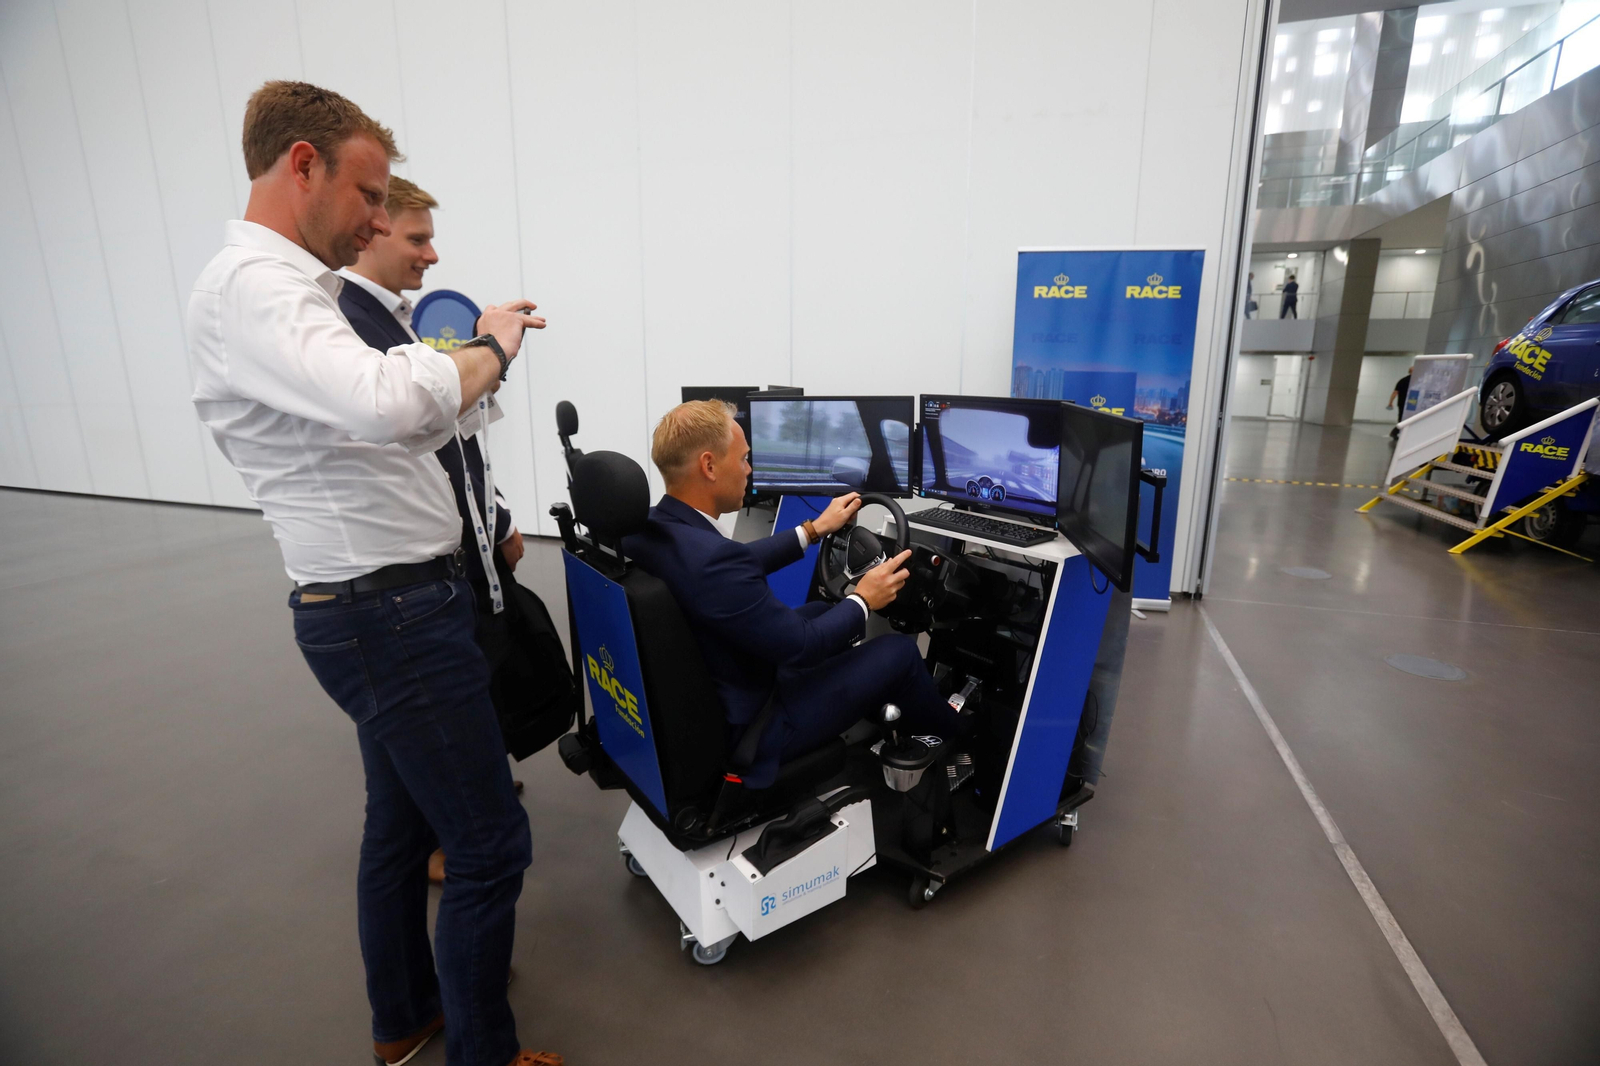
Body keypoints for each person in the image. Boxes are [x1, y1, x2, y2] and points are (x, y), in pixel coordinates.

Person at [185, 80, 559, 1066]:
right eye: (370, 193)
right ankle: (483, 1053)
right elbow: (395, 405)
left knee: (399, 827)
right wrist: (489, 345)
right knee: (487, 845)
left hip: (390, 603)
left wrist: (465, 376)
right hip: (386, 614)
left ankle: (405, 1021)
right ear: (301, 163)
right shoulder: (251, 289)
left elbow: (411, 419)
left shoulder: (299, 296)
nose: (380, 221)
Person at [338, 176, 527, 884]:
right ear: (373, 227)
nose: (432, 255)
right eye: (418, 239)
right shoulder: (352, 327)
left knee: (401, 792)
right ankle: (456, 823)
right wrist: (491, 351)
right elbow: (419, 435)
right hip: (402, 593)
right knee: (459, 826)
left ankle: (457, 799)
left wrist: (498, 515)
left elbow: (456, 439)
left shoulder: (397, 323)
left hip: (438, 574)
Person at [622, 401, 959, 788]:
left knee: (818, 607)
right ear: (709, 466)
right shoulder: (713, 561)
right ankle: (957, 736)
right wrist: (865, 597)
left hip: (714, 684)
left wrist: (813, 530)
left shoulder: (654, 527)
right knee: (899, 653)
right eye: (745, 459)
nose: (749, 470)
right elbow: (804, 646)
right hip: (757, 726)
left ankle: (866, 700)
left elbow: (734, 563)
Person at [1388, 366, 1413, 439]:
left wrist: (1390, 402)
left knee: (1401, 418)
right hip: (1411, 403)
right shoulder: (1416, 380)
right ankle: (1395, 432)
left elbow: (1395, 392)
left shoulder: (1402, 380)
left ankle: (1396, 432)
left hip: (1402, 402)